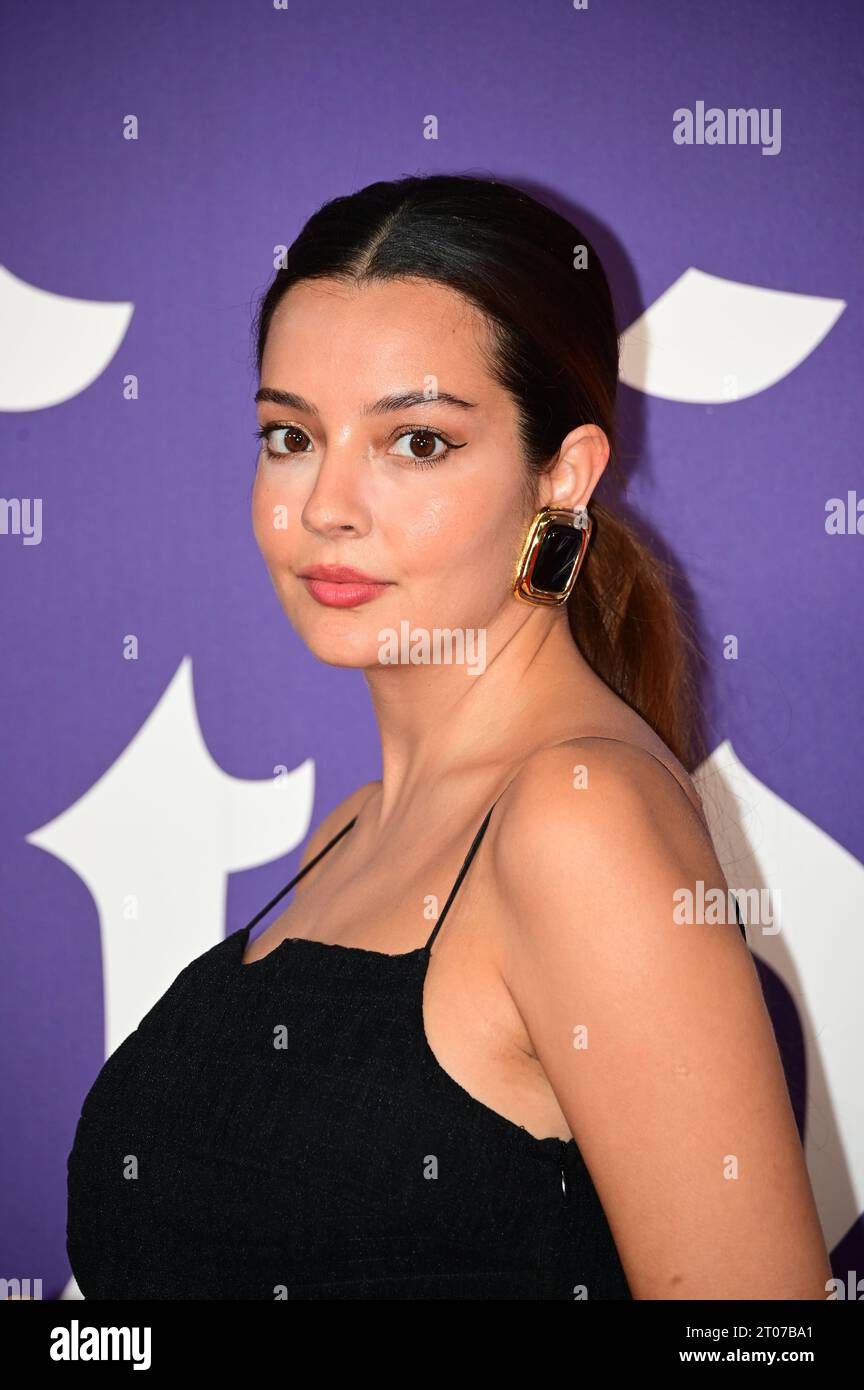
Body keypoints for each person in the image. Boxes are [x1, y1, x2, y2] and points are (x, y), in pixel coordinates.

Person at [67, 173, 831, 1300]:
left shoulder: (579, 818)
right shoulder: (354, 830)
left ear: (561, 475)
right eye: (290, 435)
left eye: (415, 443)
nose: (325, 503)